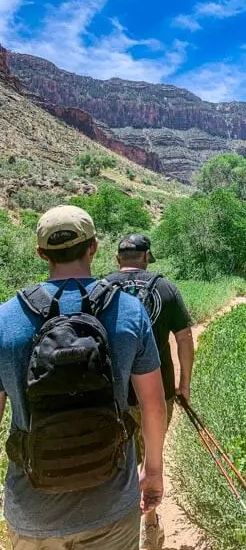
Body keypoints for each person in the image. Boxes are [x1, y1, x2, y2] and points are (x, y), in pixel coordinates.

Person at [0, 206, 167, 550]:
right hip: (110, 505)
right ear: (94, 246)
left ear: (41, 253)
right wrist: (152, 473)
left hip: (32, 510)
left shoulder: (4, 319)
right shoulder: (128, 311)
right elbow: (153, 406)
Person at [106, 234, 194, 550]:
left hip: (114, 394)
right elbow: (184, 338)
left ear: (118, 259)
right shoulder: (165, 288)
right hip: (159, 391)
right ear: (146, 257)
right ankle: (150, 522)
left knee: (122, 457)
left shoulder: (100, 290)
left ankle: (121, 523)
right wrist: (183, 385)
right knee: (151, 455)